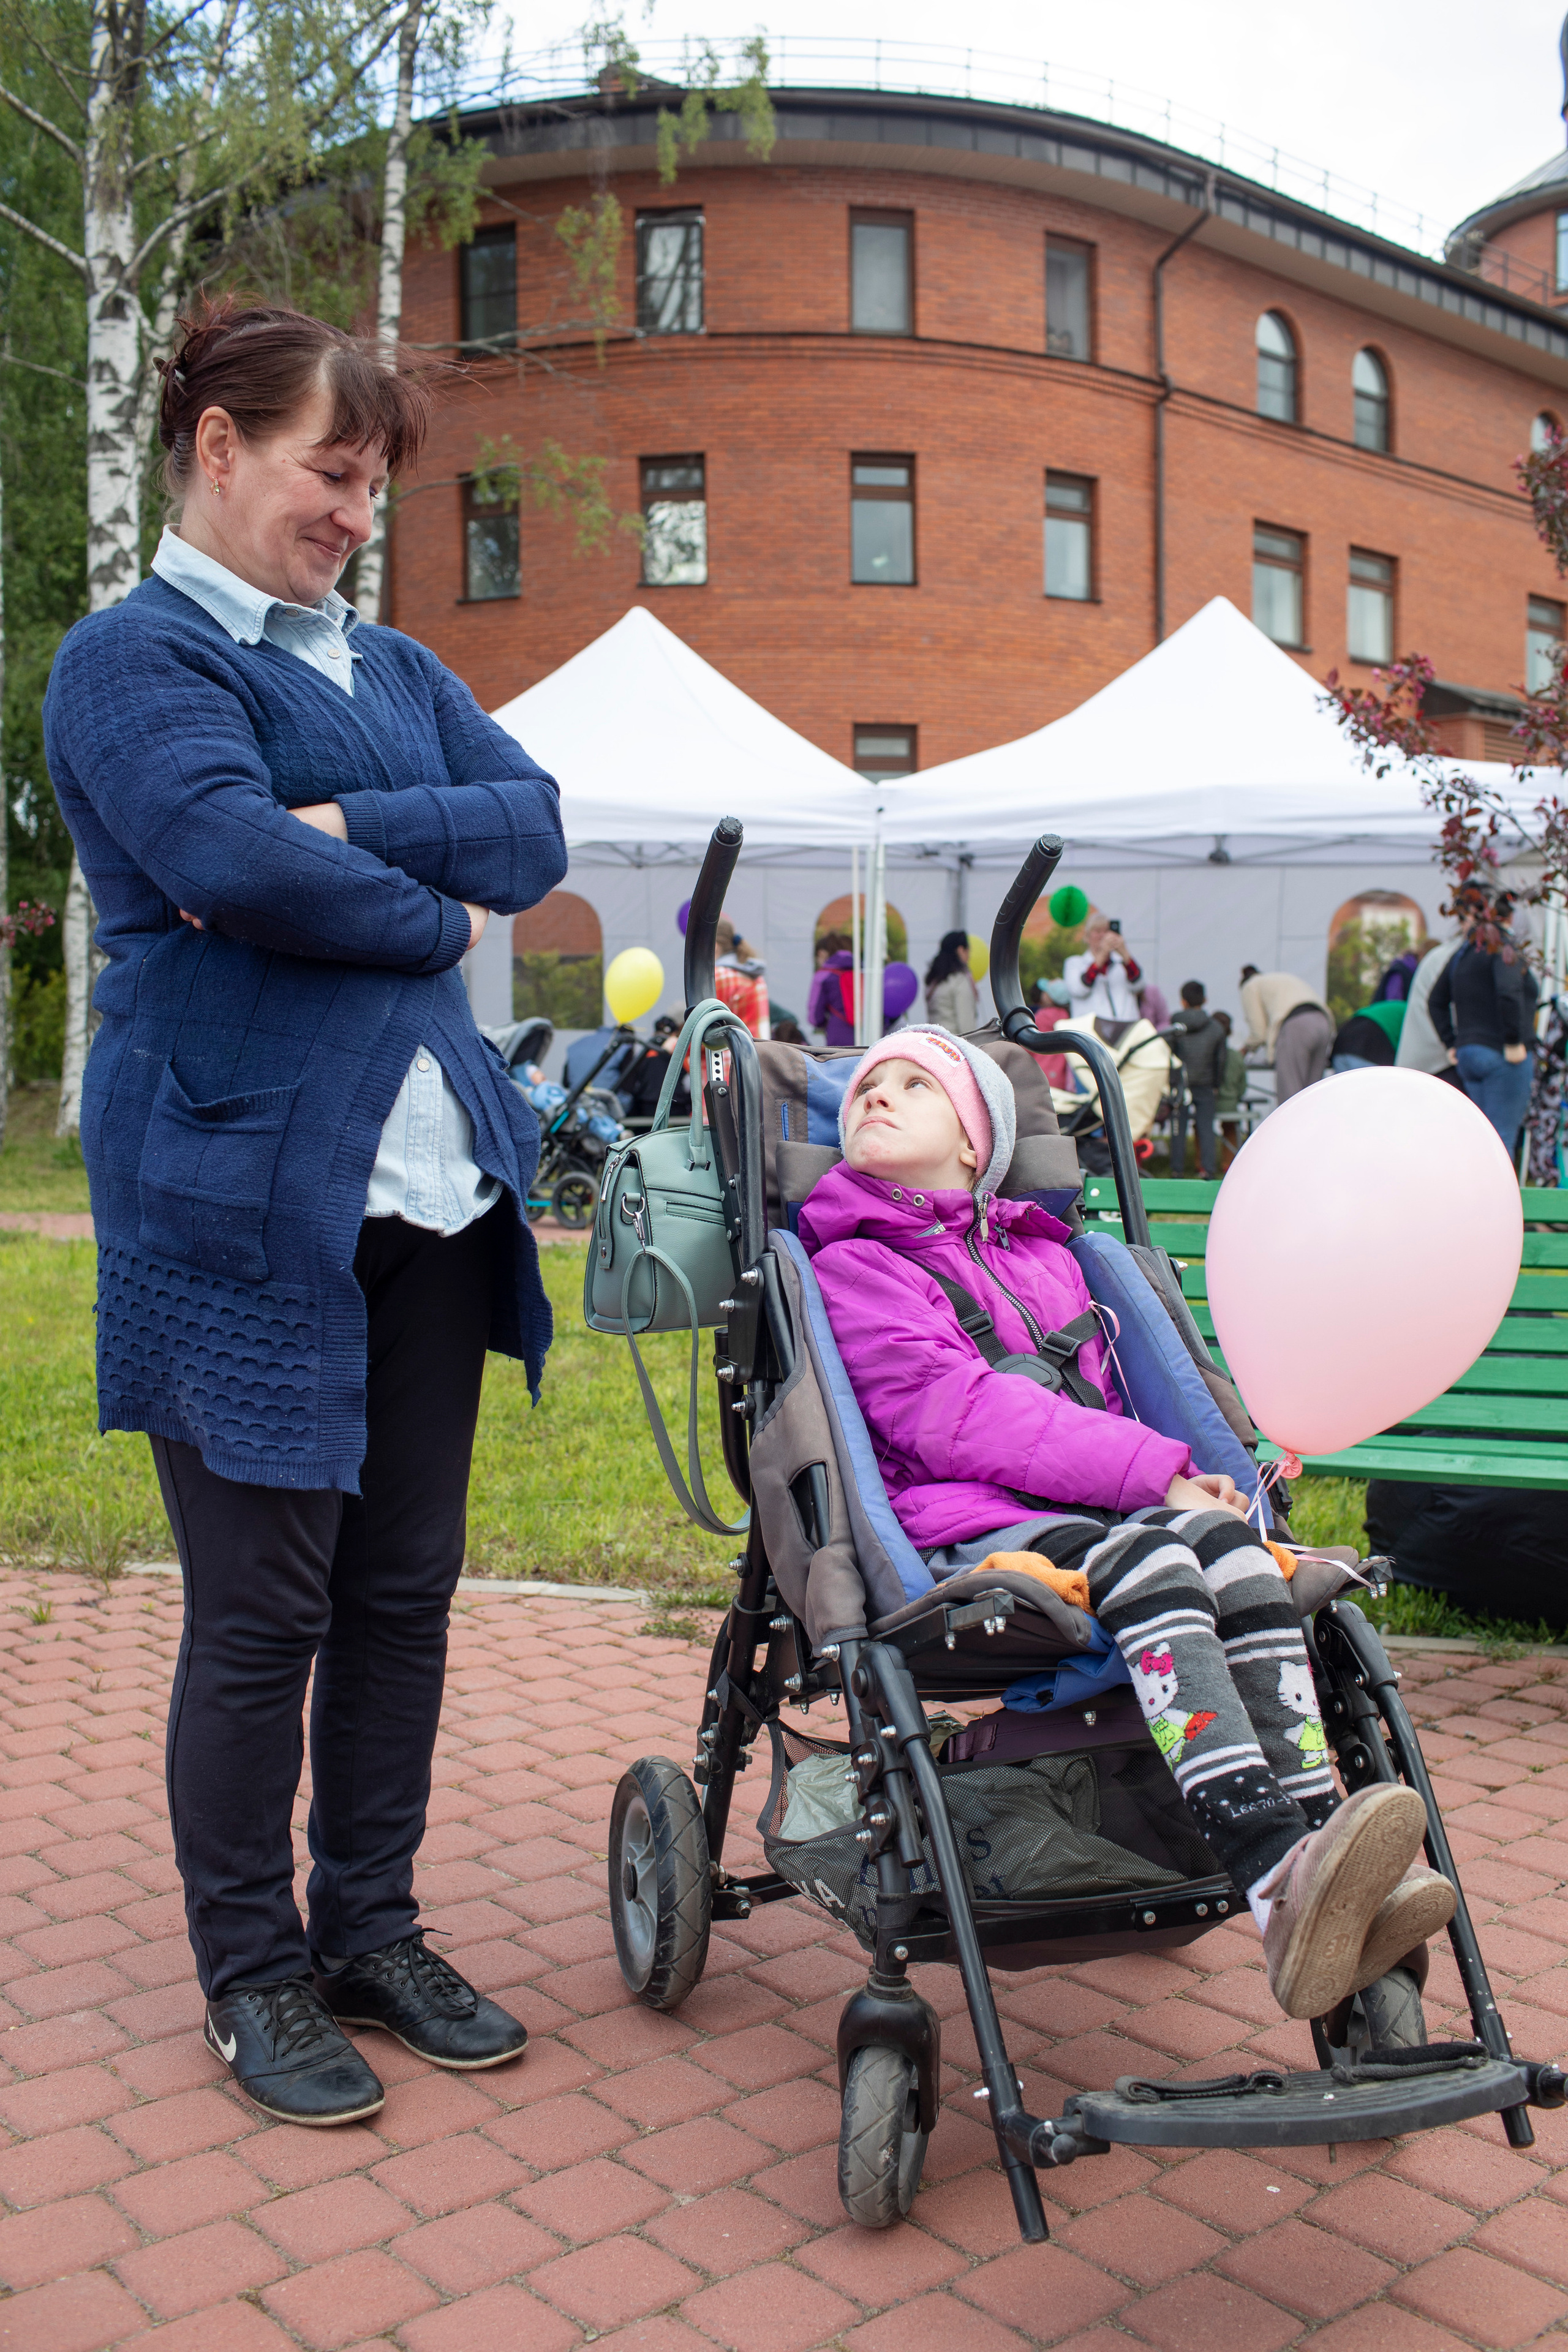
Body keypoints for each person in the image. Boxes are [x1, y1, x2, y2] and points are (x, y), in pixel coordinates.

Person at [41, 298, 568, 2127]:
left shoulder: (397, 666)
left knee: (402, 1592)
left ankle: (370, 1925)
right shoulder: (131, 660)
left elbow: (534, 829)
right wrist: (421, 900)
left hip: (433, 1193)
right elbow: (211, 850)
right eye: (328, 474)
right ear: (218, 448)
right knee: (264, 1609)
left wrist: (345, 840)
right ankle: (250, 1970)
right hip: (238, 1194)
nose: (353, 512)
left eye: (369, 485)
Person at [799, 1028, 1453, 2020]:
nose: (874, 1097)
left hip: (1092, 1517)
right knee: (1157, 1549)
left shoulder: (1058, 1266)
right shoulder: (857, 1265)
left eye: (911, 1087)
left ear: (979, 1145)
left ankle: (1324, 1847)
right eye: (863, 1091)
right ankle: (1273, 1870)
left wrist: (1215, 1474)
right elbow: (951, 1412)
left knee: (1237, 1553)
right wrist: (1160, 1478)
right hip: (967, 1534)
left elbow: (1120, 1408)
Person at [1428, 918, 1539, 1158]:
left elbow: (1435, 1001)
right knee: (1500, 1143)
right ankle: (1500, 1197)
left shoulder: (1463, 954)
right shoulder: (1501, 947)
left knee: (1481, 1142)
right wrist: (1512, 1041)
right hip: (1503, 1057)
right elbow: (1508, 991)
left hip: (1470, 1056)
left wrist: (1452, 1042)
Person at [1238, 965, 1335, 1104]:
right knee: (1313, 1091)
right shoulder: (1278, 979)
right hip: (1323, 1023)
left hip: (1298, 1024)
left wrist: (1245, 1049)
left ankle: (1293, 1126)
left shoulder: (1250, 986)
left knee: (1291, 1093)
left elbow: (1258, 1033)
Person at [1166, 981, 1225, 1178]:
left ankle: (1177, 1170)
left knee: (1177, 1129)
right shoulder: (1216, 1028)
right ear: (1205, 1000)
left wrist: (1172, 1080)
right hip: (1206, 1084)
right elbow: (1221, 1060)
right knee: (1206, 1127)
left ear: (1183, 1001)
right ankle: (1207, 1170)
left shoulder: (1174, 1027)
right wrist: (1217, 1083)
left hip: (1181, 1084)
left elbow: (1168, 1054)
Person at [1396, 937, 1464, 1082]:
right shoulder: (1448, 957)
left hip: (1421, 1060)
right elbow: (1437, 1004)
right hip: (1437, 1062)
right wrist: (1451, 1043)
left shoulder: (1439, 958)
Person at [1063, 918, 1143, 1021]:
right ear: (1087, 937)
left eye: (1106, 931)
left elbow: (1139, 985)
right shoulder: (1075, 963)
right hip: (1091, 1031)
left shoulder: (1121, 962)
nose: (1103, 936)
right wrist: (1102, 955)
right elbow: (1079, 989)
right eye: (1097, 931)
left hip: (1125, 1028)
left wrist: (1124, 953)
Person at [714, 913, 771, 1039]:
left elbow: (708, 1030)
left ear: (716, 947)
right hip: (758, 1053)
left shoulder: (719, 976)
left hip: (729, 1056)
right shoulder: (755, 975)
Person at [809, 930, 858, 1046]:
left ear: (821, 954)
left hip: (838, 1035)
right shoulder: (863, 969)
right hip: (871, 1032)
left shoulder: (824, 975)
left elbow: (815, 1017)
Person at [924, 929, 980, 1030]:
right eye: (968, 951)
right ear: (960, 950)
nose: (969, 956)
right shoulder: (959, 981)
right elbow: (966, 1023)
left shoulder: (934, 980)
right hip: (953, 1042)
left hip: (934, 1040)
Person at [1213, 1009, 1248, 1167]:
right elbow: (1242, 1087)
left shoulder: (1207, 1055)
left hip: (1210, 1105)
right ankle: (1230, 1164)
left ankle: (1201, 1164)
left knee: (1201, 1127)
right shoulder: (1236, 1056)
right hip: (1231, 1104)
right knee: (1231, 1128)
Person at [1330, 1000, 1402, 1075]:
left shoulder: (1397, 1009)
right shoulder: (1409, 1012)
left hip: (1340, 1046)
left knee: (1344, 1085)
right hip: (1370, 1050)